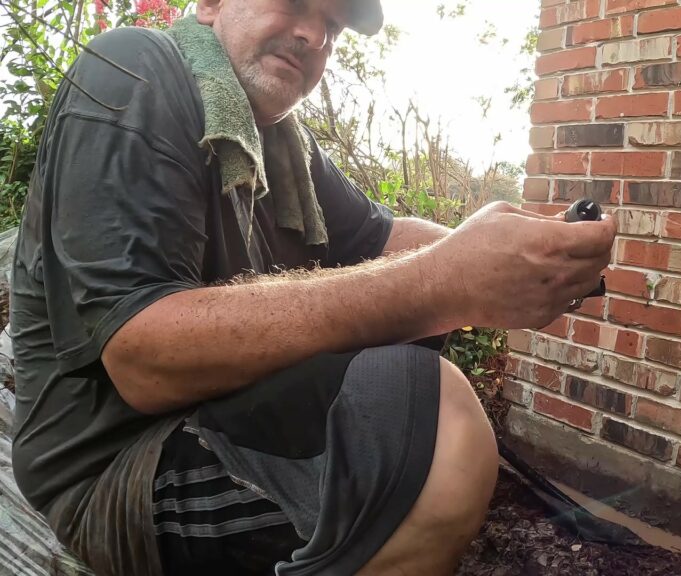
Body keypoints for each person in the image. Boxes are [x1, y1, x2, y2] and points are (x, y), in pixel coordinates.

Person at [8, 0, 616, 574]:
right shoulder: (135, 72)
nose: (314, 35)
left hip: (214, 419)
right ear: (212, 3)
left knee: (411, 394)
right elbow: (142, 355)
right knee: (430, 415)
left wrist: (512, 247)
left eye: (333, 25)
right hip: (111, 475)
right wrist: (443, 283)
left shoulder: (284, 144)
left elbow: (380, 239)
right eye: (297, 2)